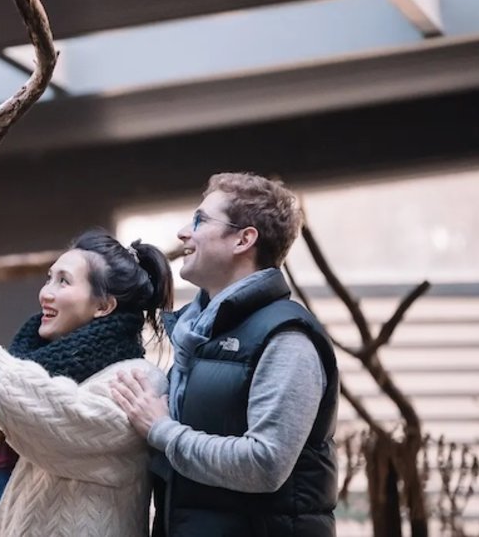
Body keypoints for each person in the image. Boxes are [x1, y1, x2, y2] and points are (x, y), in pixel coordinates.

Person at [110, 172, 339, 536]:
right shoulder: (198, 335)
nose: (184, 232)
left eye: (200, 220)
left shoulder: (287, 338)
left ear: (244, 239)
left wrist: (162, 430)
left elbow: (265, 464)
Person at [0, 229, 173, 537]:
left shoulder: (138, 379)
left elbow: (62, 423)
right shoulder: (17, 368)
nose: (45, 292)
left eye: (64, 281)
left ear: (103, 306)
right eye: (49, 278)